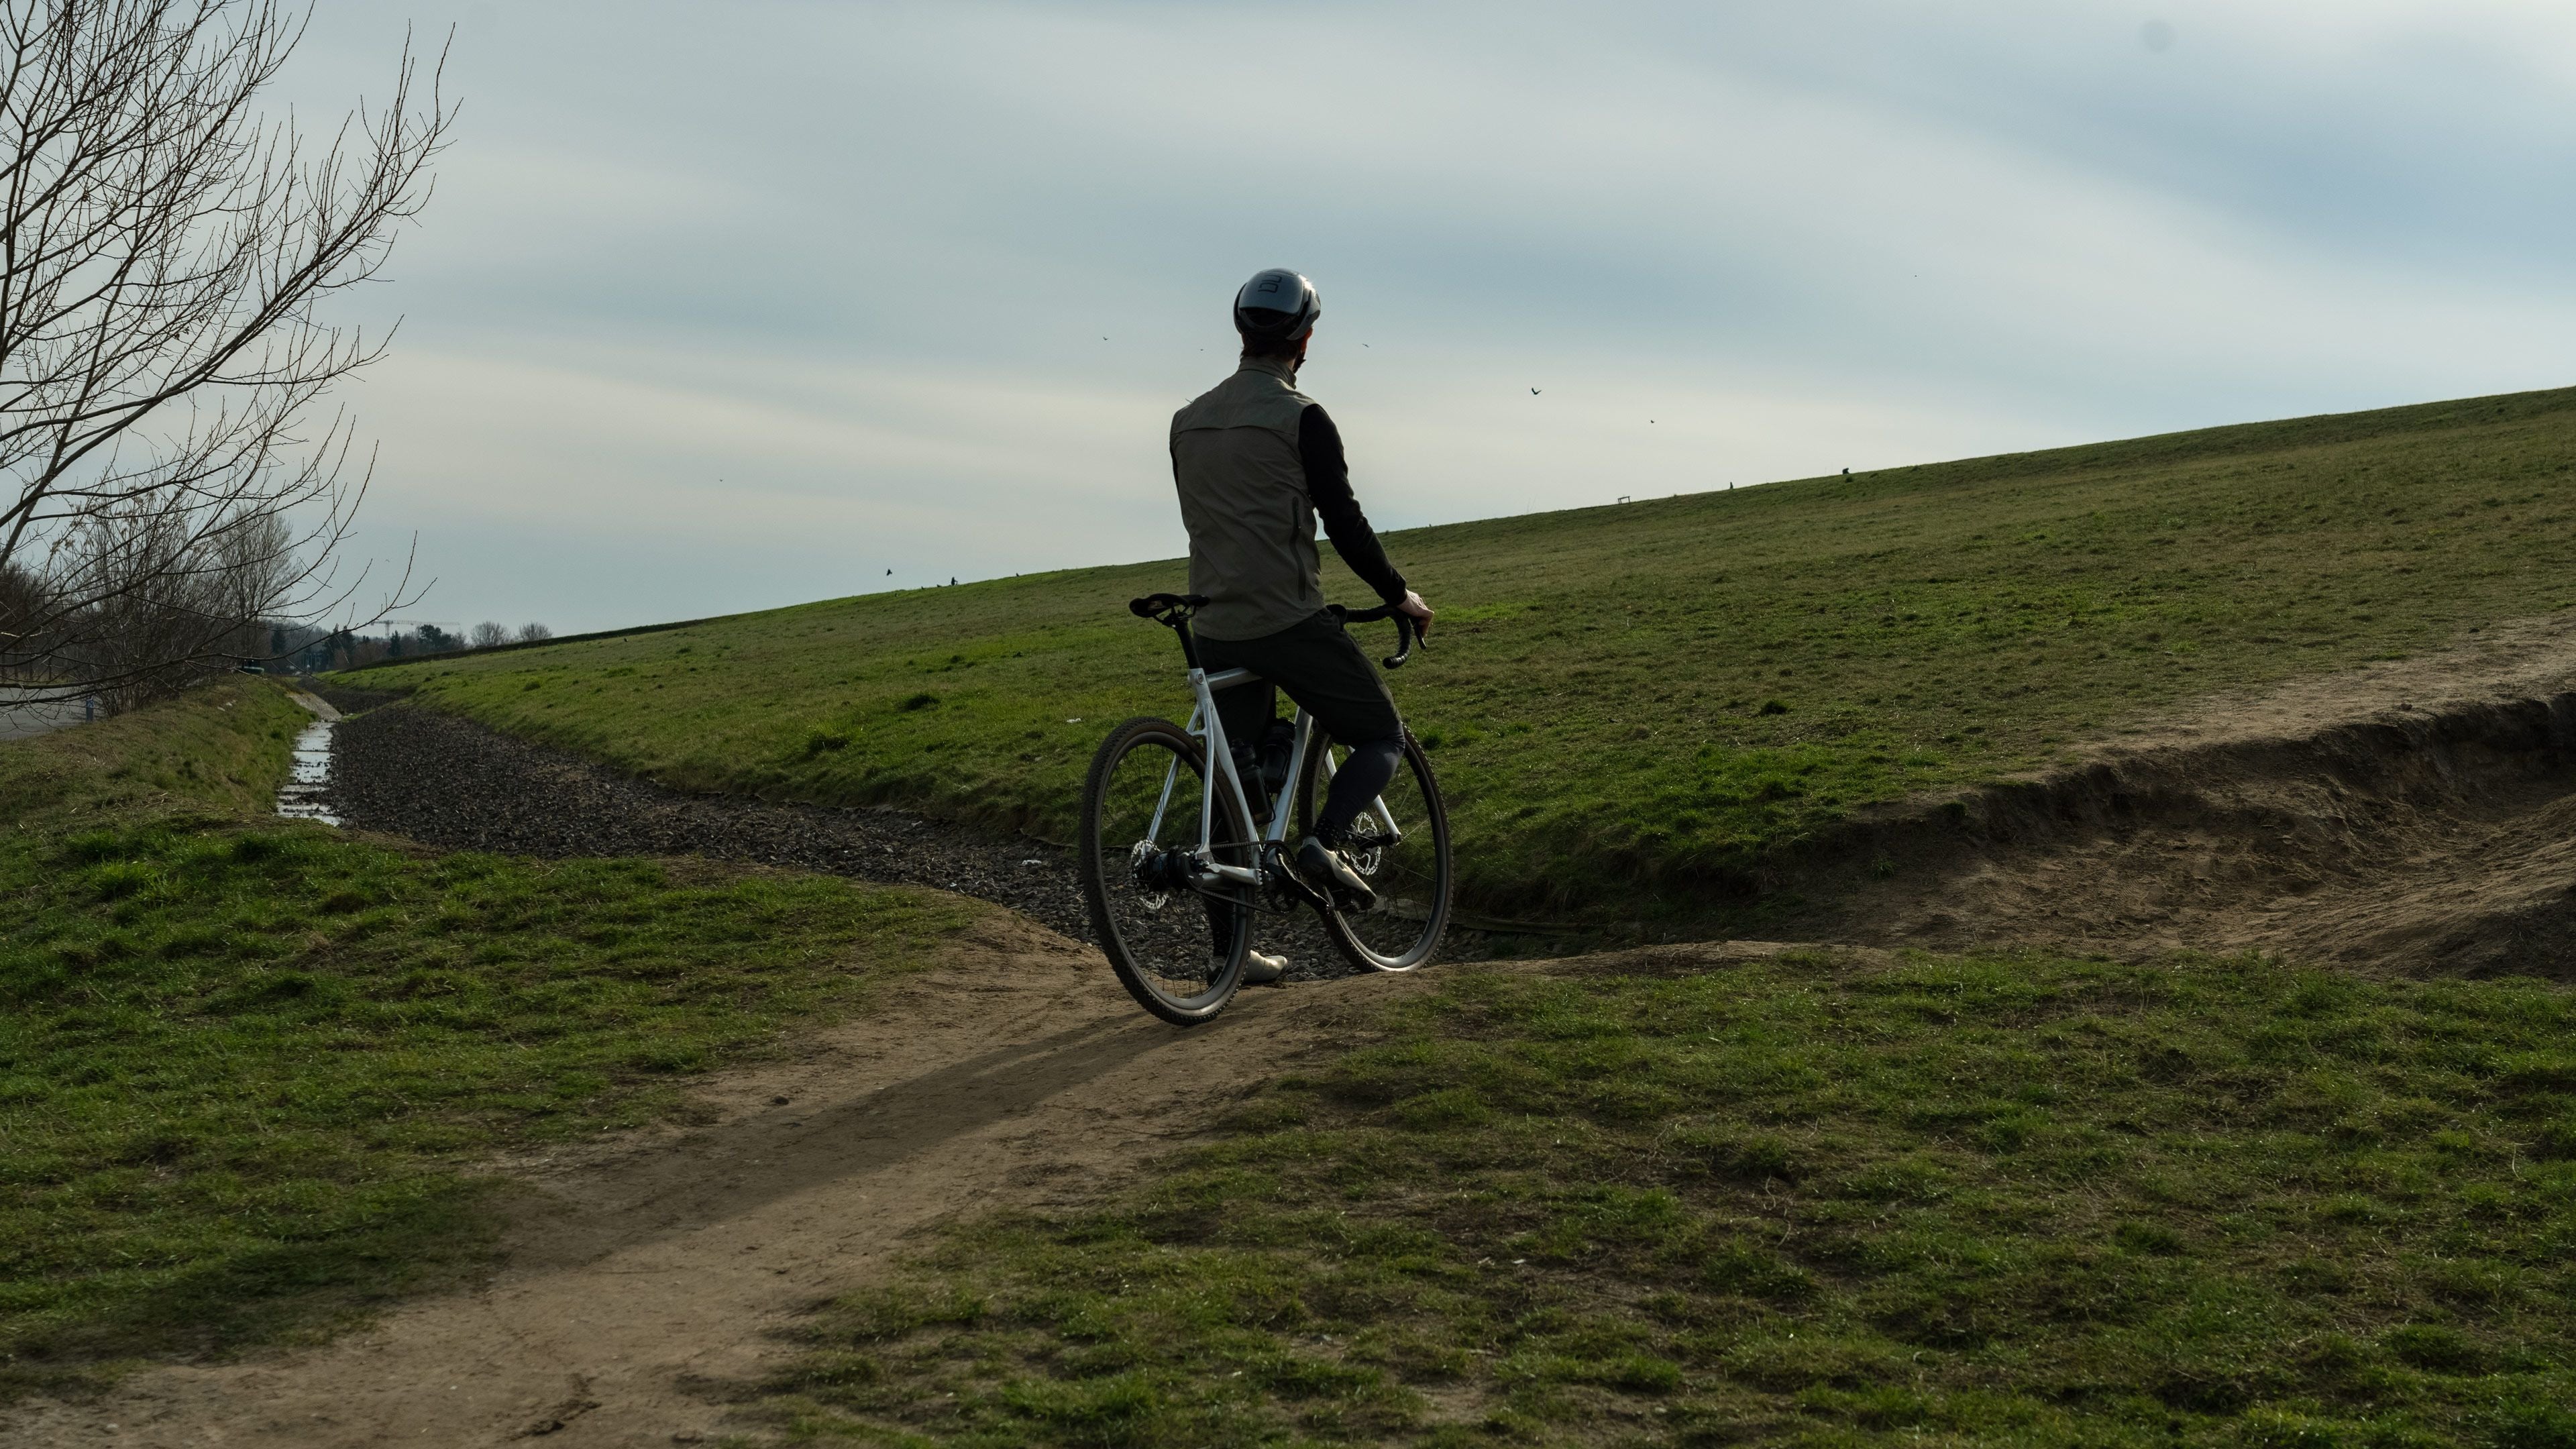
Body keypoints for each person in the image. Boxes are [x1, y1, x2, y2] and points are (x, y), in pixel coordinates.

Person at [1169, 268, 1435, 985]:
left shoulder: (1186, 421)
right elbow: (1343, 524)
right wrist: (1398, 594)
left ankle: (1229, 957)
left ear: (1241, 330)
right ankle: (1324, 844)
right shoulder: (1303, 417)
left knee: (1233, 788)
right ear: (1304, 338)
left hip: (1214, 623)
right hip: (1287, 618)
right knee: (1380, 732)